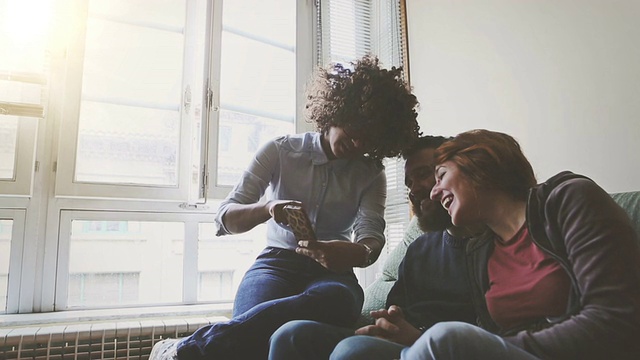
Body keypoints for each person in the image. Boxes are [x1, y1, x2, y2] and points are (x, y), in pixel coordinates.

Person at [149, 55, 420, 360]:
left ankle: (184, 350)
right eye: (355, 128)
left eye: (369, 139)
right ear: (336, 109)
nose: (357, 142)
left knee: (334, 299)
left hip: (334, 274)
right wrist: (268, 208)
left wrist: (359, 253)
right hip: (275, 264)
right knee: (254, 325)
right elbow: (226, 218)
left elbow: (371, 235)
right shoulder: (280, 151)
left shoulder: (371, 173)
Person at [403, 129, 640, 360]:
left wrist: (485, 349)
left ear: (478, 162)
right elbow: (493, 335)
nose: (433, 193)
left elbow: (613, 317)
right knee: (367, 347)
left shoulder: (569, 199)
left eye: (441, 175)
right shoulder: (480, 251)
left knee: (445, 339)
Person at [268, 135, 479, 360]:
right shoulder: (419, 248)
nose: (414, 190)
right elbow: (396, 309)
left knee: (353, 351)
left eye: (424, 175)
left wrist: (420, 336)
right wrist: (386, 326)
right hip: (398, 343)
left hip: (440, 347)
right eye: (409, 183)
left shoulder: (489, 247)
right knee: (291, 334)